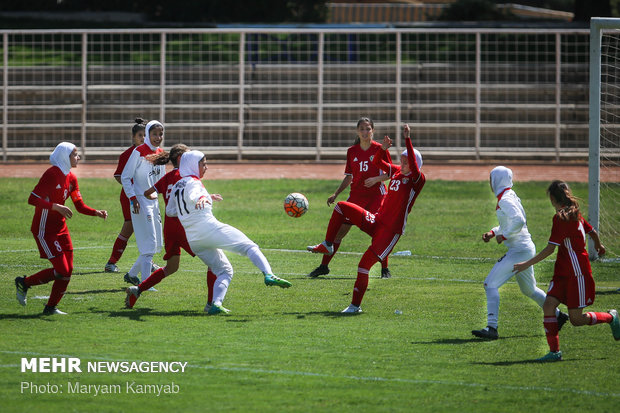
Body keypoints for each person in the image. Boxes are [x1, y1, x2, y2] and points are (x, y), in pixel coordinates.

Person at [307, 124, 425, 313]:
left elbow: (411, 158)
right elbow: (378, 163)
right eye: (401, 160)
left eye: (406, 161)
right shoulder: (395, 172)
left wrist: (407, 139)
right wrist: (383, 150)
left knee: (363, 266)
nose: (402, 163)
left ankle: (355, 306)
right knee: (341, 207)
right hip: (377, 221)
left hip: (390, 232)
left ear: (415, 164)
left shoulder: (417, 180)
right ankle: (328, 244)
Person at [164, 150, 292, 314]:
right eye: (203, 164)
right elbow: (194, 195)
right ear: (192, 165)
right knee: (250, 246)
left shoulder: (177, 185)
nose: (206, 167)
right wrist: (202, 198)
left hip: (194, 239)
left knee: (225, 271)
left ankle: (216, 304)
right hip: (208, 228)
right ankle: (269, 274)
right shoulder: (194, 183)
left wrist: (204, 198)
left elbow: (170, 211)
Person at [513, 180, 620, 362]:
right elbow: (592, 231)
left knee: (576, 319)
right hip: (562, 272)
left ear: (553, 199)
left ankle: (611, 317)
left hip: (577, 273)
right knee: (548, 306)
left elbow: (549, 249)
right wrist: (599, 245)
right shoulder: (575, 214)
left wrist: (526, 264)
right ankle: (555, 352)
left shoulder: (561, 218)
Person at [472, 167, 568, 340]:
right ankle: (559, 315)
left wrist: (504, 235)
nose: (490, 182)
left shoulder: (506, 199)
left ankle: (491, 328)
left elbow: (519, 221)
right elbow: (512, 222)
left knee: (490, 284)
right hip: (524, 249)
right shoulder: (509, 195)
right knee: (529, 290)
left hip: (519, 251)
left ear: (497, 180)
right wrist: (494, 233)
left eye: (491, 179)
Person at [14, 142, 107, 315]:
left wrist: (96, 213)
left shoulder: (71, 177)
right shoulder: (51, 174)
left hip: (61, 228)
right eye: (75, 154)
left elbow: (79, 205)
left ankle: (50, 307)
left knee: (67, 270)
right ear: (65, 156)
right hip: (44, 230)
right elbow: (32, 199)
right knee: (62, 270)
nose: (78, 157)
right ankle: (24, 283)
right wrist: (56, 206)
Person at [124, 144, 218, 310]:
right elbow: (188, 196)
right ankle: (211, 304)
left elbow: (148, 193)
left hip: (169, 229)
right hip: (184, 227)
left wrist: (155, 198)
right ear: (182, 160)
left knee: (171, 267)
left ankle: (137, 290)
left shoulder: (167, 177)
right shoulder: (185, 177)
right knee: (214, 262)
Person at [308, 117, 393, 279]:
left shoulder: (380, 149)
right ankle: (323, 266)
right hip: (356, 197)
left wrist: (375, 179)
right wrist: (336, 193)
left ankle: (385, 269)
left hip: (376, 197)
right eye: (362, 129)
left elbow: (390, 173)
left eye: (368, 129)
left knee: (379, 232)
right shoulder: (352, 151)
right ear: (357, 131)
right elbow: (349, 177)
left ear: (372, 131)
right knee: (339, 233)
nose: (365, 132)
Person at [120, 120, 166, 286]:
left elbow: (161, 180)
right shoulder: (139, 151)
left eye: (160, 134)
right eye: (154, 134)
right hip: (140, 201)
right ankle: (146, 283)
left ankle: (132, 275)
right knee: (150, 243)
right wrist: (133, 198)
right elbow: (125, 176)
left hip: (154, 202)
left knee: (155, 244)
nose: (158, 137)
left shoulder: (160, 153)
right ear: (147, 134)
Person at [104, 118, 146, 273]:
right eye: (140, 136)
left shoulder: (150, 154)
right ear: (133, 137)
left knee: (145, 228)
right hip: (130, 197)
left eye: (145, 135)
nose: (143, 139)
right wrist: (132, 189)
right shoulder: (127, 155)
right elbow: (118, 176)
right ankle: (111, 263)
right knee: (129, 228)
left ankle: (146, 261)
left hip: (145, 197)